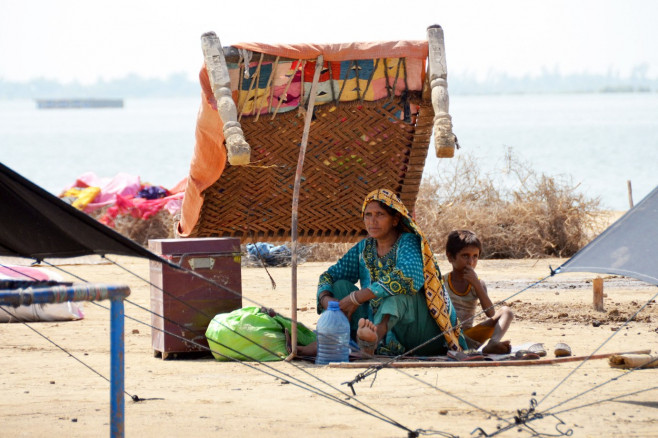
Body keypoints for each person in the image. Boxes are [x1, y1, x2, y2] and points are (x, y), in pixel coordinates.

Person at [315, 188, 467, 357]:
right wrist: (326, 299)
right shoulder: (363, 248)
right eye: (368, 215)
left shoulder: (409, 242)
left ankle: (372, 342)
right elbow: (329, 276)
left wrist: (357, 297)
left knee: (397, 292)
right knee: (340, 286)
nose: (372, 221)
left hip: (419, 332)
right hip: (373, 323)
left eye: (380, 214)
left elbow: (408, 277)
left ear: (395, 220)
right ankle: (357, 339)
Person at [444, 230, 514, 354]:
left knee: (506, 312)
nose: (471, 262)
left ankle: (493, 343)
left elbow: (490, 313)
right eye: (465, 256)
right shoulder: (441, 282)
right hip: (445, 338)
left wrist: (476, 284)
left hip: (469, 338)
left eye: (475, 256)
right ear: (450, 257)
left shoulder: (478, 283)